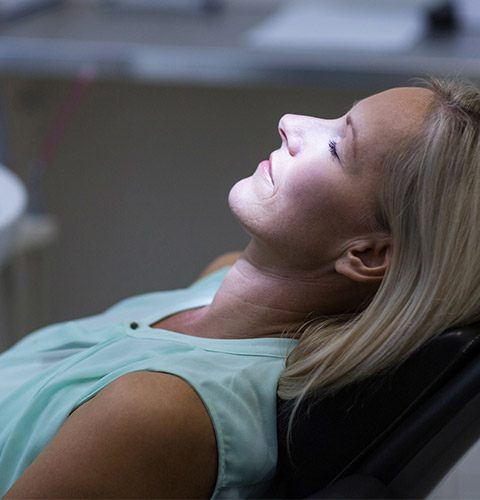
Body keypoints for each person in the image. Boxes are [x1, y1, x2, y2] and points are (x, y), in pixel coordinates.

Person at [2, 78, 480, 498]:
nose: (290, 121)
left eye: (337, 146)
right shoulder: (220, 280)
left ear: (368, 255)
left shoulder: (156, 413)